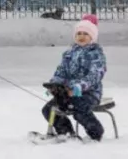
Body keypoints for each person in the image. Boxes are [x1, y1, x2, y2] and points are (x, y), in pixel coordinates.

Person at [40, 14, 107, 142]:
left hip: (89, 93)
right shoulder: (69, 54)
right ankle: (66, 133)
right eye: (79, 33)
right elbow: (61, 71)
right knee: (48, 109)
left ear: (92, 37)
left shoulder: (96, 54)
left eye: (85, 34)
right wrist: (55, 85)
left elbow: (95, 75)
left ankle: (96, 131)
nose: (81, 36)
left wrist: (80, 86)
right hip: (68, 93)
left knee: (79, 109)